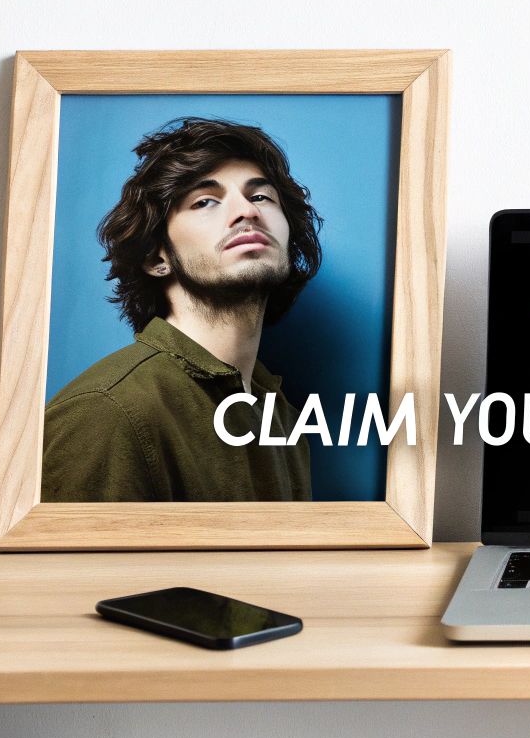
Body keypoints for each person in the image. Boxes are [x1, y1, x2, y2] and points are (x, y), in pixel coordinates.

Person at [42, 117, 323, 501]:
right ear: (157, 257)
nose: (247, 211)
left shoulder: (280, 416)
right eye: (205, 201)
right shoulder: (106, 412)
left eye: (261, 196)